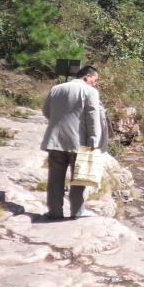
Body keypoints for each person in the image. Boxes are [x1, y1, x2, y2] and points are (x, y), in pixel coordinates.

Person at [40, 65, 104, 220]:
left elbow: (46, 110)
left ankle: (54, 212)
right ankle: (77, 211)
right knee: (79, 179)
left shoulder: (56, 88)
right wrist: (94, 141)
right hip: (78, 142)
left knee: (55, 179)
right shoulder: (90, 92)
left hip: (54, 141)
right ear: (87, 77)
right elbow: (93, 118)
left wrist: (57, 123)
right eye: (94, 80)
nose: (95, 83)